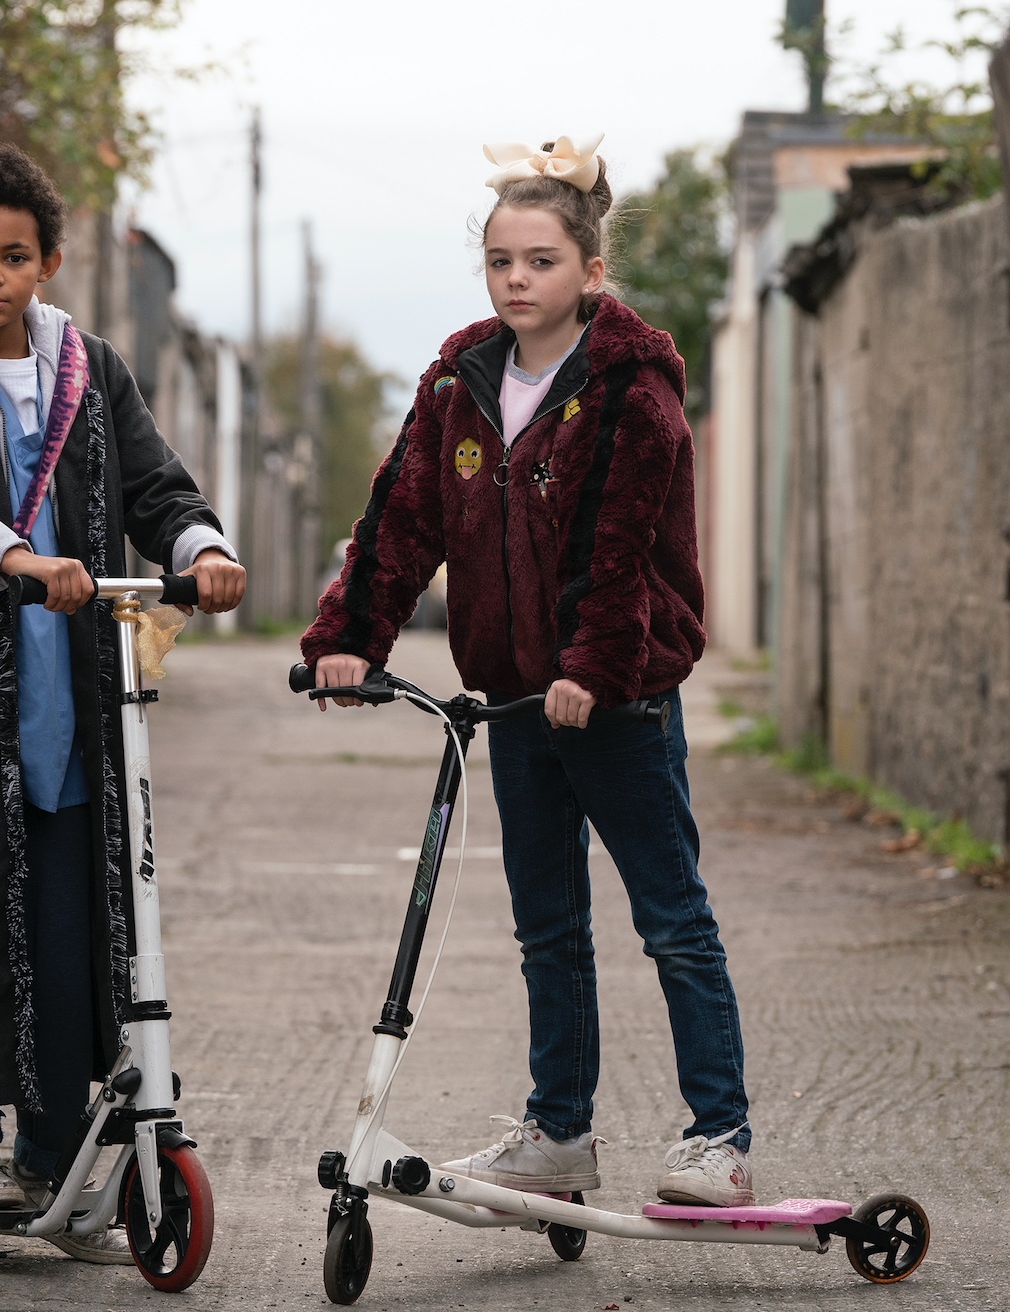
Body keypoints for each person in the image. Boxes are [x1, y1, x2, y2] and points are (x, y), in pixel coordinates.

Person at [300, 135, 753, 1207]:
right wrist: (346, 636)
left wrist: (597, 665)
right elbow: (399, 519)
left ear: (589, 272)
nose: (517, 279)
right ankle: (559, 1130)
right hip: (513, 698)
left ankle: (718, 1136)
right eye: (500, 260)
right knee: (546, 926)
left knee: (670, 918)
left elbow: (620, 543)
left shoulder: (629, 387)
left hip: (617, 696)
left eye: (541, 260)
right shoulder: (460, 383)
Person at [0, 145, 244, 1261]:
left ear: (49, 261)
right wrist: (14, 556)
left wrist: (201, 545)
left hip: (74, 696)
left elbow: (153, 479)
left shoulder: (88, 366)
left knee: (79, 912)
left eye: (13, 256)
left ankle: (61, 1145)